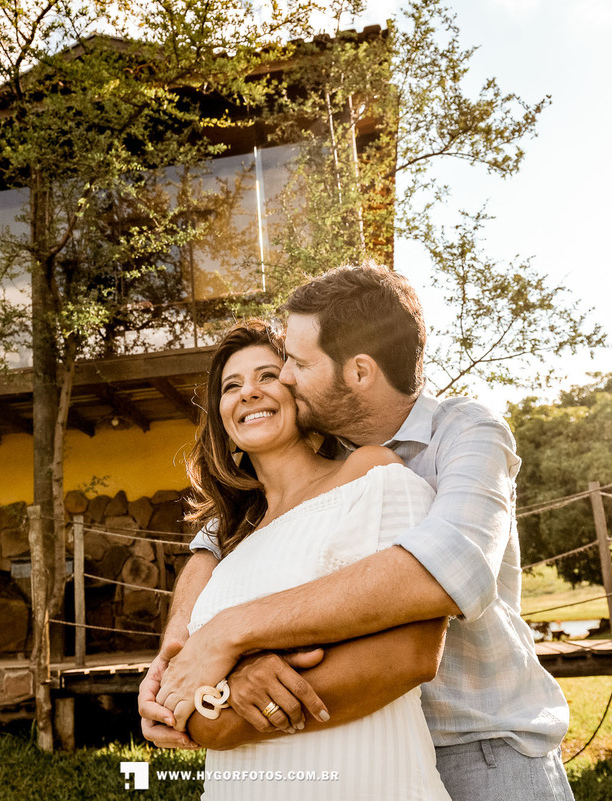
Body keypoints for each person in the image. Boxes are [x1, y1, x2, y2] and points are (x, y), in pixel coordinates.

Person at [140, 264, 573, 801]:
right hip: (362, 732)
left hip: (483, 745)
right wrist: (182, 646)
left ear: (359, 372)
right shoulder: (324, 463)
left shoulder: (462, 433)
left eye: (296, 365)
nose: (285, 378)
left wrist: (230, 633)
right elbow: (217, 541)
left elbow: (448, 570)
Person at [173, 318, 452, 800]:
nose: (248, 392)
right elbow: (184, 684)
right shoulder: (232, 539)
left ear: (301, 389)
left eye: (267, 376)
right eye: (231, 386)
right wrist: (231, 682)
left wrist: (228, 715)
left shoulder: (370, 473)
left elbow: (410, 656)